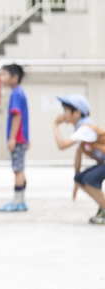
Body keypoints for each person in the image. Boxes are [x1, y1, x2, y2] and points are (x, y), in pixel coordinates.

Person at [52, 94, 105, 224]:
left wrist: (55, 125)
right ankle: (102, 209)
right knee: (82, 178)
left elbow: (62, 145)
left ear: (77, 113)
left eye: (66, 110)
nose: (63, 114)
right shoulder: (80, 130)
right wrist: (77, 182)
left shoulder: (85, 128)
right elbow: (78, 155)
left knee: (90, 179)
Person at [0, 63, 29, 212]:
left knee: (18, 170)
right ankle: (20, 200)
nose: (1, 78)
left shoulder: (15, 93)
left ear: (14, 78)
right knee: (20, 169)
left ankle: (17, 202)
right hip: (22, 138)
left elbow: (17, 116)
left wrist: (12, 138)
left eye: (4, 75)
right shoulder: (21, 92)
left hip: (17, 139)